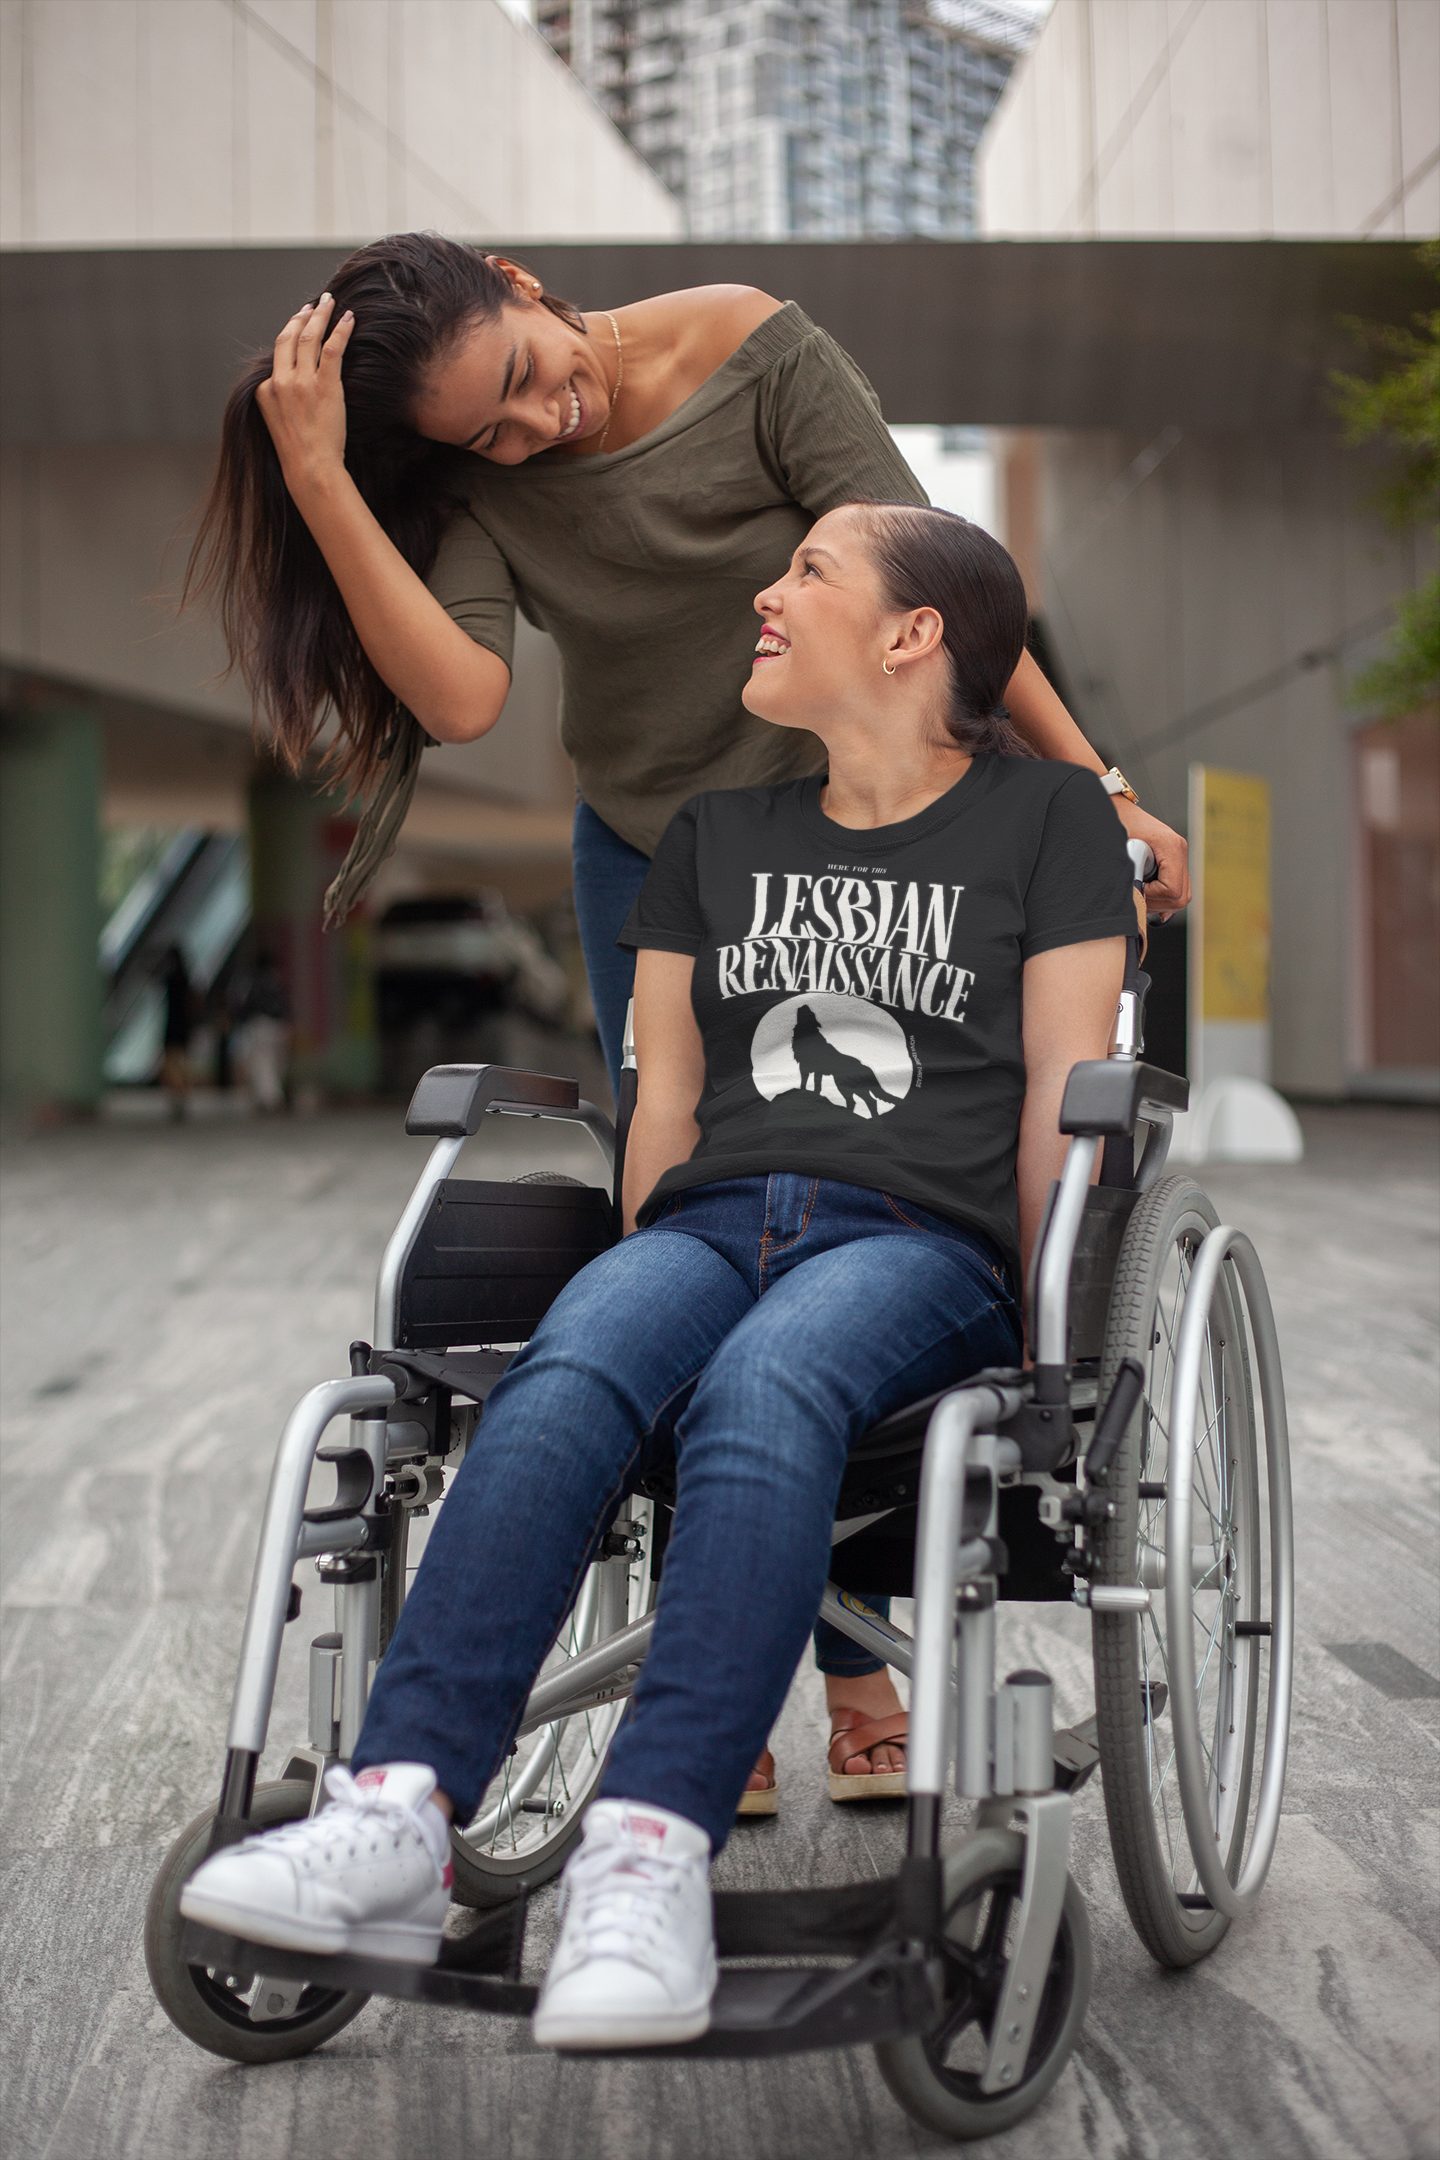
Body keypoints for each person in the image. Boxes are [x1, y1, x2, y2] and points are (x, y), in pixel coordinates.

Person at [190, 236, 1187, 1797]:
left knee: (864, 1214)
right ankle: (695, 1685)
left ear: (526, 283)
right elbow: (461, 700)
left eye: (524, 380)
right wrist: (323, 481)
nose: (534, 429)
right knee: (698, 1226)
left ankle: (857, 1682)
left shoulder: (755, 354)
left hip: (870, 832)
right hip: (666, 851)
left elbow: (943, 591)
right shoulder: (488, 474)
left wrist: (1099, 791)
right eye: (487, 437)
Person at [180, 502, 1135, 2050]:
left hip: (919, 1244)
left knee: (768, 1386)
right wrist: (639, 1294)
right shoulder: (715, 838)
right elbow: (669, 1108)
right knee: (572, 1372)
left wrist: (1055, 1349)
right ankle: (399, 1809)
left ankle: (649, 1856)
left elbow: (1060, 1091)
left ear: (914, 636)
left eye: (807, 571)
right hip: (706, 1222)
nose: (765, 595)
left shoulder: (1046, 827)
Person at [159, 945, 194, 1120]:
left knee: (171, 1064)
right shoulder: (185, 978)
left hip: (171, 1025)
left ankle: (176, 1095)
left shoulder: (170, 978)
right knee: (182, 1064)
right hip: (184, 1025)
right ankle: (183, 1097)